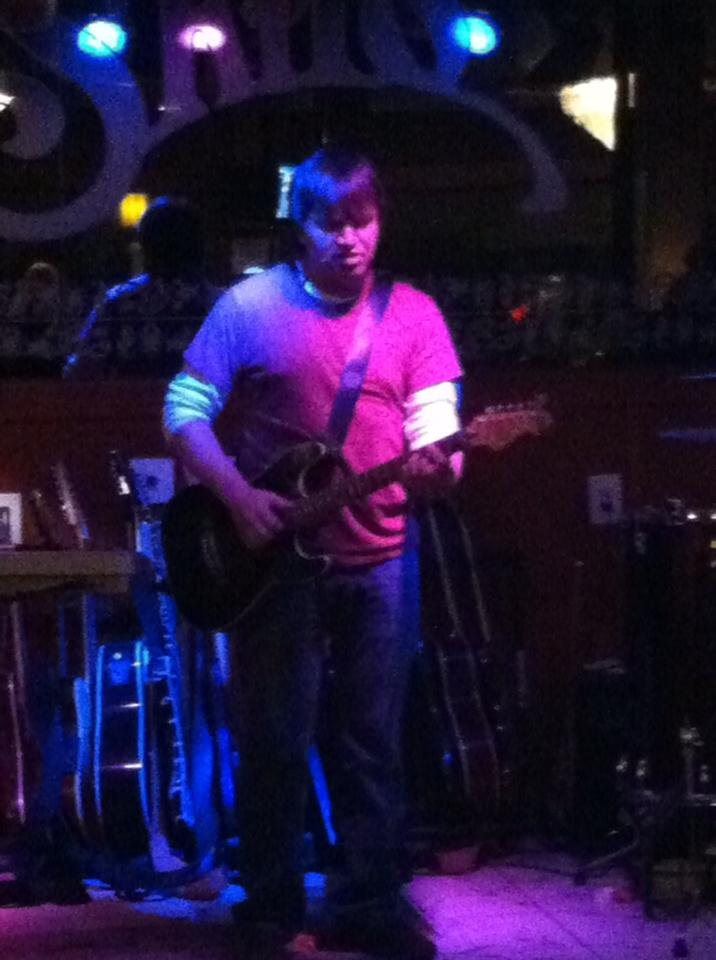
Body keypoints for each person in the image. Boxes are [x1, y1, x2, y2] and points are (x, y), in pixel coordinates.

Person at [163, 145, 464, 959]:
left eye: (362, 219)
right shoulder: (249, 306)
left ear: (381, 219)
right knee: (273, 740)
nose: (349, 237)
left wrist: (441, 465)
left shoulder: (415, 316)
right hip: (272, 569)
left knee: (372, 740)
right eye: (330, 222)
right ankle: (270, 906)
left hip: (381, 555)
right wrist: (238, 497)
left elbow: (437, 426)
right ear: (299, 225)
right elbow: (183, 407)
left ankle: (370, 902)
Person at [63, 196, 221, 379]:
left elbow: (80, 373)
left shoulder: (117, 304)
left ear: (147, 248)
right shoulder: (224, 307)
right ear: (200, 247)